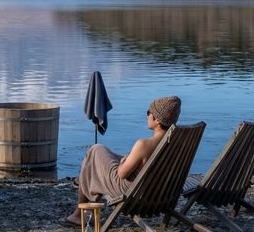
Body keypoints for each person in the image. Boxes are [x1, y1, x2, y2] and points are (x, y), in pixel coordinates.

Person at [65, 95, 182, 225]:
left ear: (157, 119)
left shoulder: (144, 144)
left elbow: (121, 174)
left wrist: (122, 162)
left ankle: (79, 214)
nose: (147, 115)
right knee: (101, 155)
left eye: (149, 112)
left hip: (134, 194)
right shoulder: (178, 144)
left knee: (95, 150)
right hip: (159, 194)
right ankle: (83, 212)